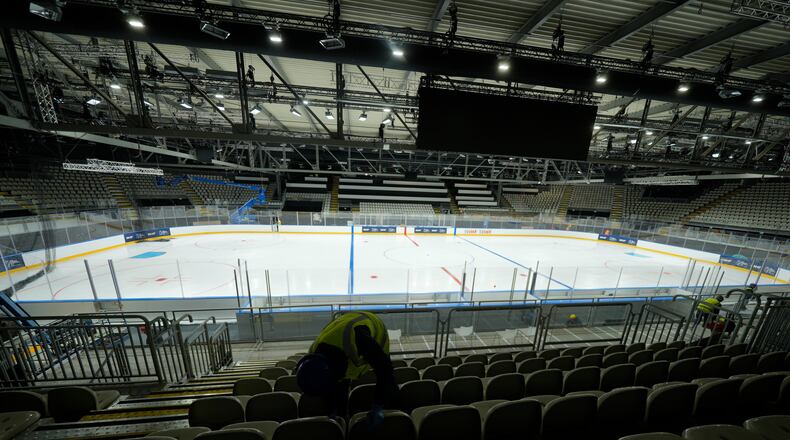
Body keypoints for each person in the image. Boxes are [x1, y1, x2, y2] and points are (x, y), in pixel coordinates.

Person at [296, 311, 395, 427]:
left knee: (388, 382)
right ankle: (342, 419)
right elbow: (330, 386)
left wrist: (378, 405)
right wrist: (332, 412)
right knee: (340, 391)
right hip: (344, 327)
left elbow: (386, 370)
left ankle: (393, 408)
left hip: (372, 327)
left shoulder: (359, 340)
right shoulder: (314, 357)